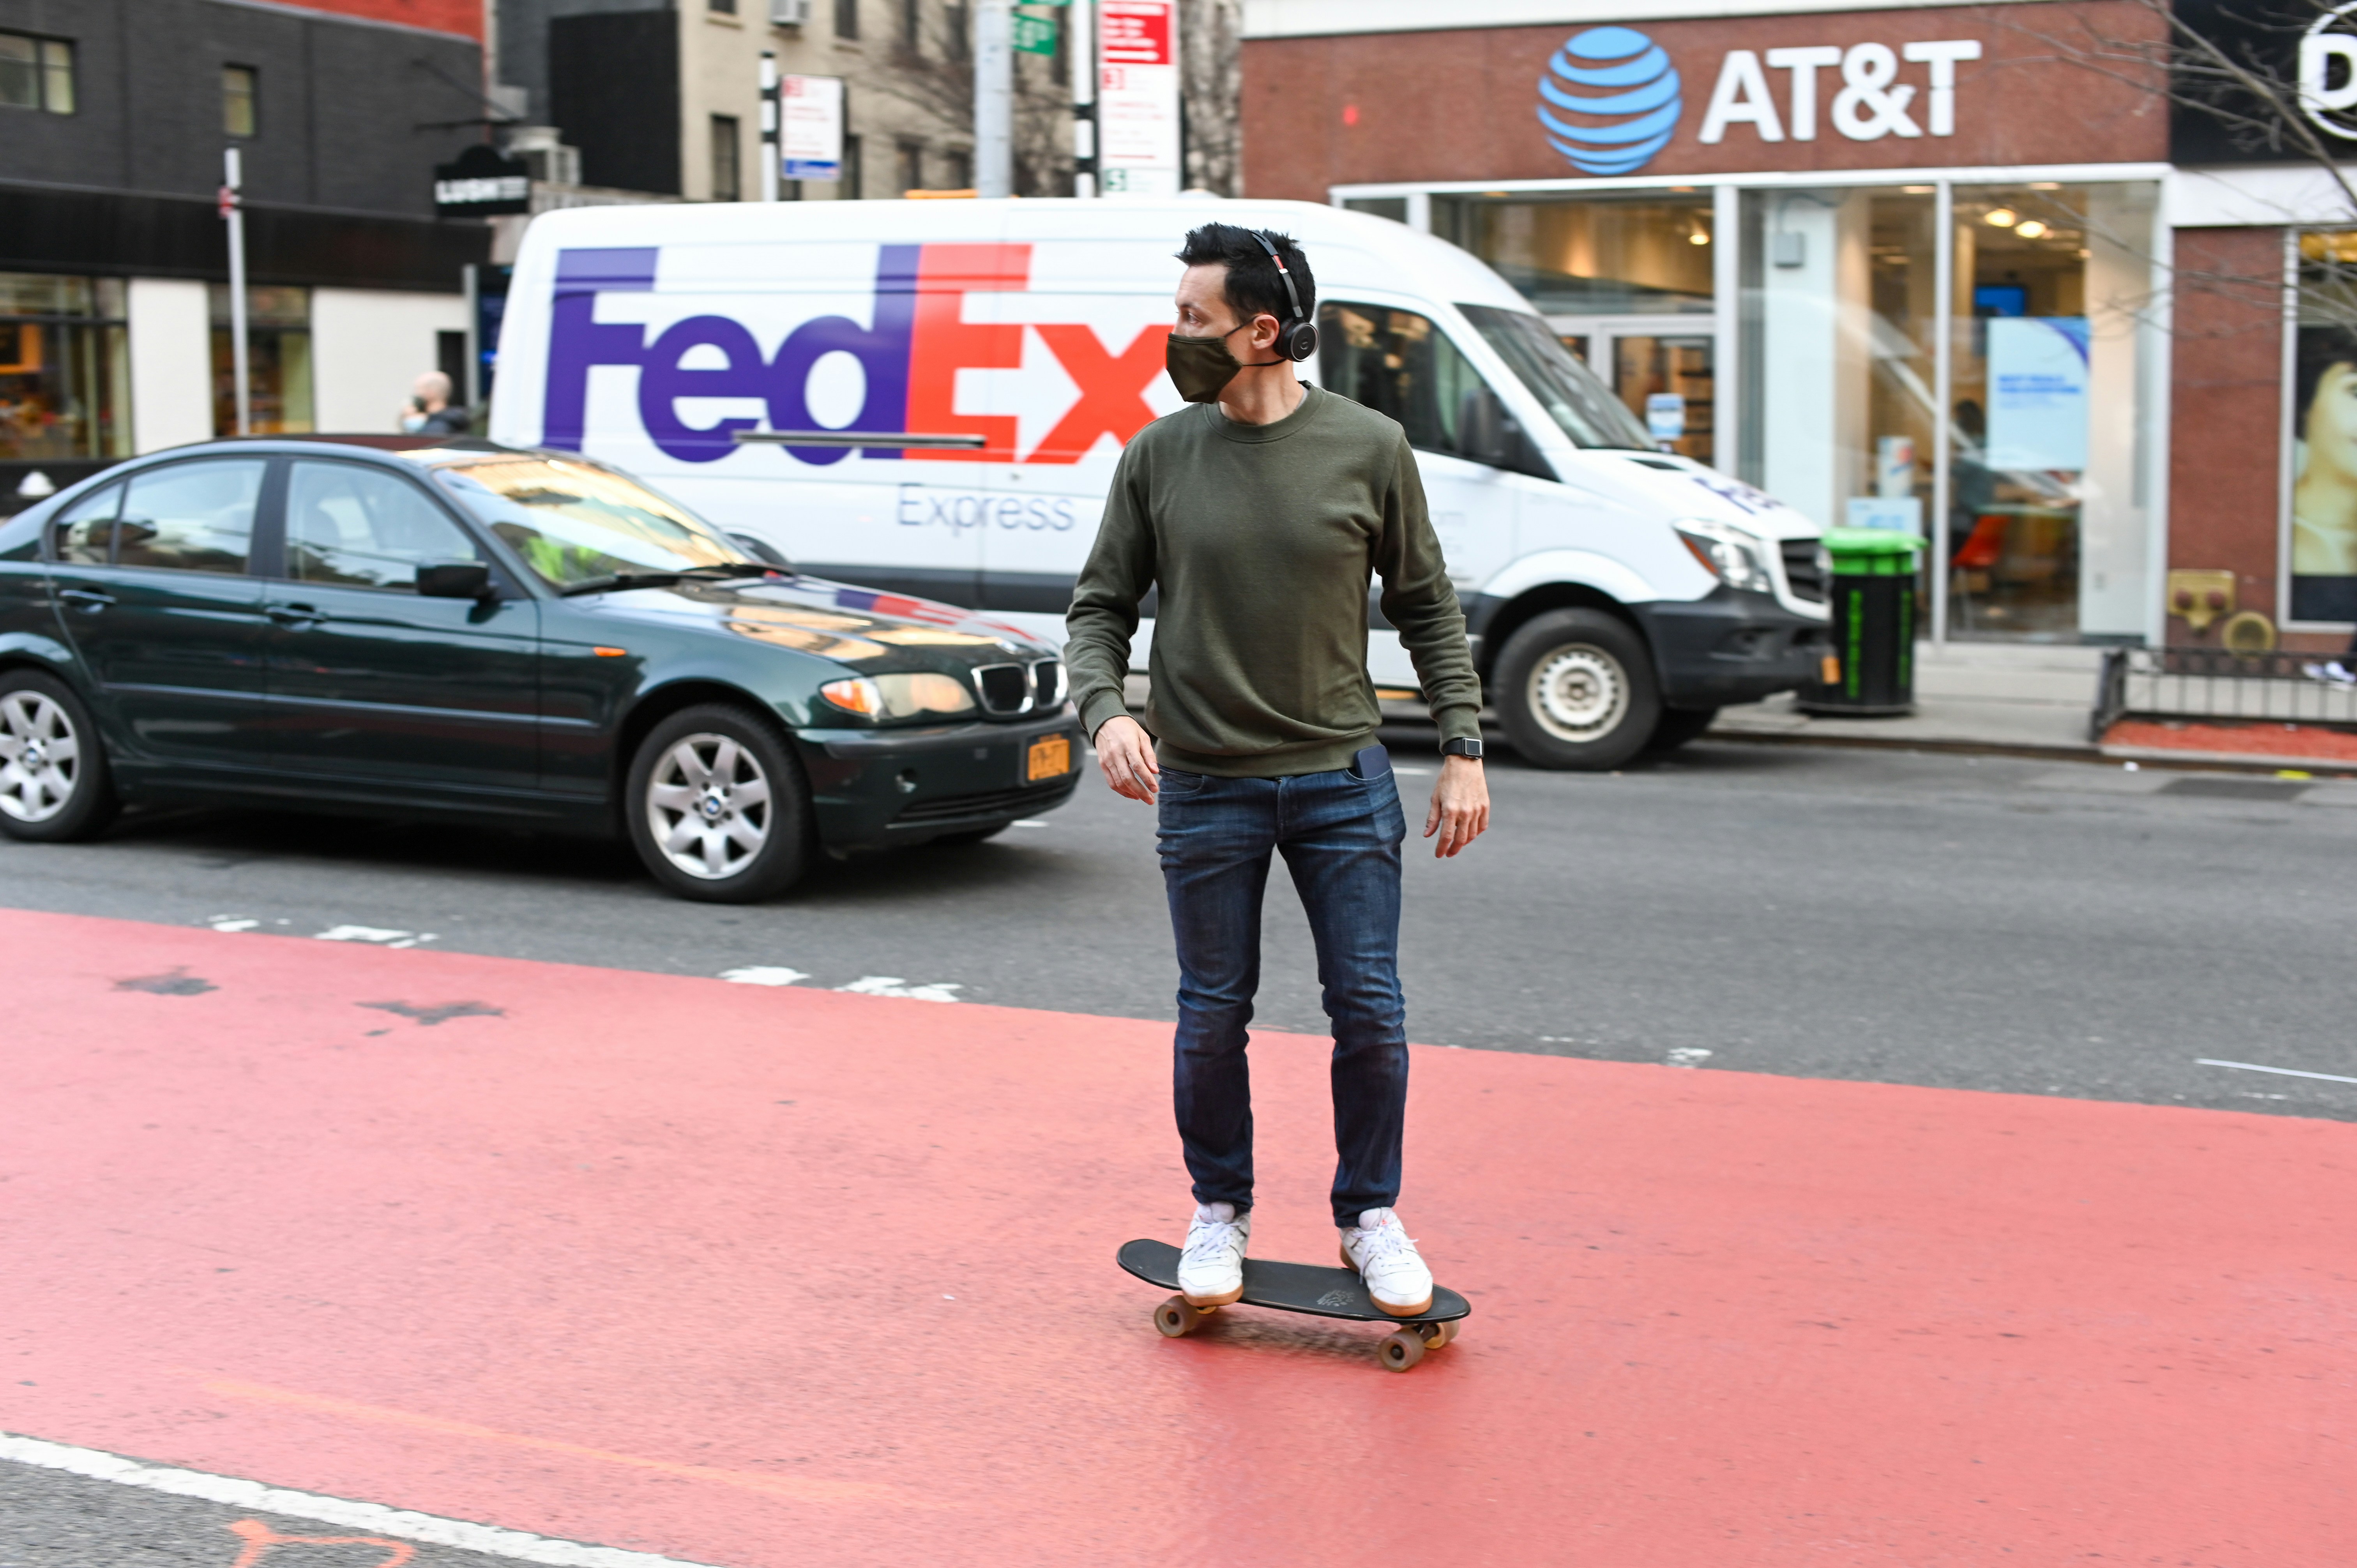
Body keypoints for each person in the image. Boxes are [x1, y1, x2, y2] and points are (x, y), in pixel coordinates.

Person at [1064, 224, 1490, 1317]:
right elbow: (1099, 610)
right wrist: (1107, 710)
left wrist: (1461, 747)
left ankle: (1370, 1219)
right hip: (1203, 783)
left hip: (1342, 782)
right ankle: (1220, 1210)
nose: (1175, 337)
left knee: (1370, 1009)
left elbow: (1428, 604)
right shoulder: (1160, 455)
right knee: (1212, 1013)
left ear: (1263, 331)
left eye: (1193, 320)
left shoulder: (1369, 446)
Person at [399, 371, 470, 436]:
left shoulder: (437, 428)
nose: (416, 394)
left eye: (418, 389)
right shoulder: (454, 420)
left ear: (431, 392)